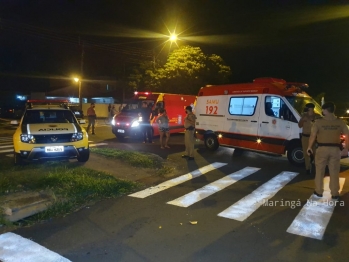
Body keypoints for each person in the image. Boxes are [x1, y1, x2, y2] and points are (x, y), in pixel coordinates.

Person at [307, 102, 349, 200]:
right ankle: (335, 193)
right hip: (335, 150)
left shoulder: (318, 122)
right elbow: (347, 135)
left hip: (322, 149)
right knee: (334, 171)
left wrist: (309, 147)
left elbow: (313, 135)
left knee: (320, 170)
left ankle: (319, 191)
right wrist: (346, 148)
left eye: (323, 109)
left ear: (325, 110)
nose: (322, 111)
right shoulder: (340, 122)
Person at [298, 103, 322, 175]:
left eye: (309, 108)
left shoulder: (317, 116)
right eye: (307, 108)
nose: (307, 110)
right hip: (305, 136)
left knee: (315, 153)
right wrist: (302, 120)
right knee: (306, 153)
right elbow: (299, 125)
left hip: (314, 137)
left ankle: (315, 166)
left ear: (312, 108)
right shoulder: (304, 116)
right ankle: (307, 168)